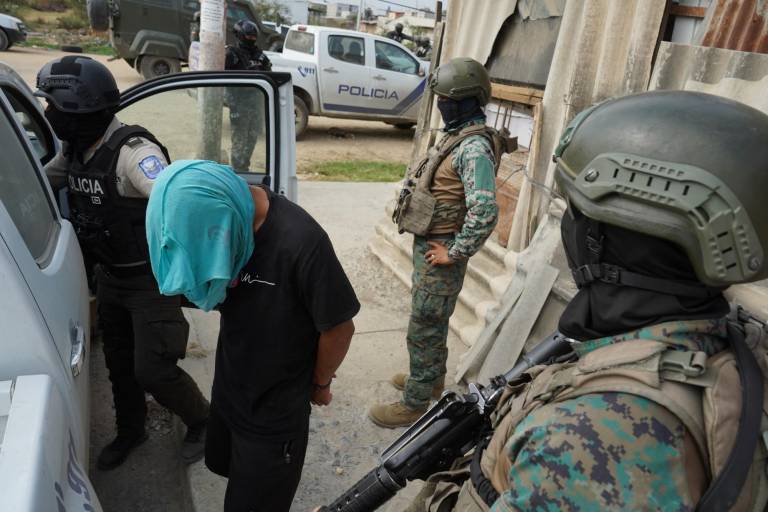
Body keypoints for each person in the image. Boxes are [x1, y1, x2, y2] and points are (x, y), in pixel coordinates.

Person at [410, 90, 768, 511]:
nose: (570, 227)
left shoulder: (591, 437)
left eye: (576, 212)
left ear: (605, 240)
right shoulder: (725, 343)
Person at [145, 160, 360, 511]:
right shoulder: (223, 227)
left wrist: (320, 384)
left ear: (223, 221)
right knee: (231, 472)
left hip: (274, 412)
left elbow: (339, 327)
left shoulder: (301, 242)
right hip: (231, 388)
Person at [35, 56, 210, 470]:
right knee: (118, 364)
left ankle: (204, 421)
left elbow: (176, 201)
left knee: (154, 370)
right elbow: (48, 178)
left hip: (150, 283)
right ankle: (131, 431)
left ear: (79, 111)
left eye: (54, 107)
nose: (48, 114)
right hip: (110, 279)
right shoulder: (78, 147)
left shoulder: (135, 154)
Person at [370, 58, 506, 428]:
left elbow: (485, 211)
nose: (442, 105)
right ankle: (431, 380)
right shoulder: (458, 135)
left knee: (425, 323)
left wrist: (456, 251)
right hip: (432, 243)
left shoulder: (473, 147)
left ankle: (414, 403)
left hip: (441, 247)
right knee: (433, 319)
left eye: (448, 100)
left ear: (465, 101)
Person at [225, 19, 272, 173]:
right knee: (239, 140)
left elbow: (270, 78)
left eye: (253, 37)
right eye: (249, 37)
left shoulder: (260, 56)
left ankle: (244, 167)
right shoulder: (231, 55)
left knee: (252, 139)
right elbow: (224, 83)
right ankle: (238, 171)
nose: (251, 40)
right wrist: (233, 106)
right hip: (239, 105)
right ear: (240, 35)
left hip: (256, 105)